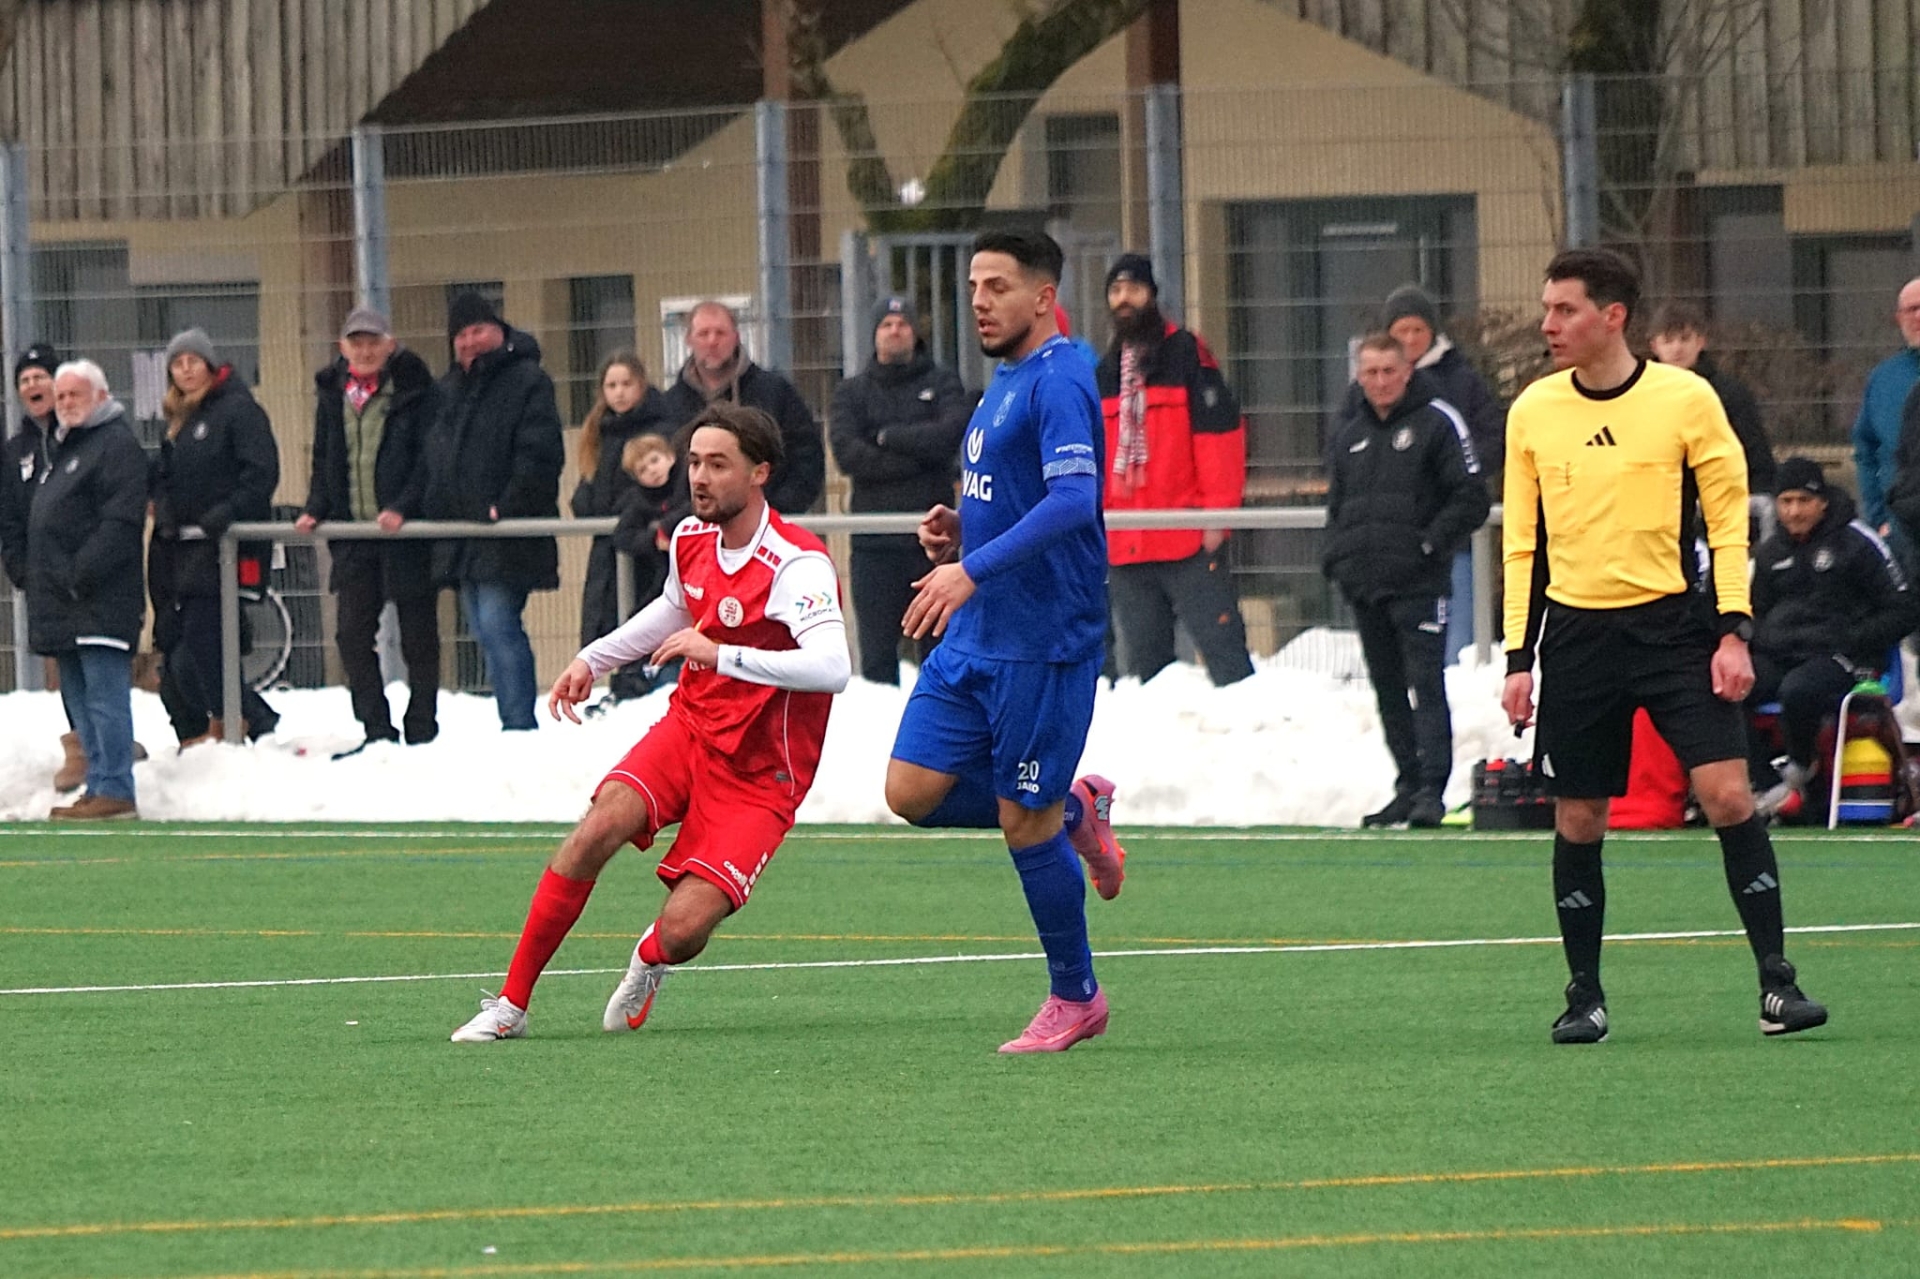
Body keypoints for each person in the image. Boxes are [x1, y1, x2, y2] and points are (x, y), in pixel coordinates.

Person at [1501, 247, 1826, 1044]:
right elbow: (1522, 542)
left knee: (1727, 795)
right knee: (1579, 818)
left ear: (1613, 316)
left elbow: (1726, 521)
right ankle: (1585, 996)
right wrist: (1518, 658)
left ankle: (1776, 987)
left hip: (1674, 629)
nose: (1549, 324)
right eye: (1547, 308)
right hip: (1576, 637)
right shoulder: (1532, 412)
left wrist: (1733, 630)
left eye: (1565, 309)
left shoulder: (1687, 399)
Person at [451, 403, 850, 1043]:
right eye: (694, 461)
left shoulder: (796, 563)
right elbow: (670, 612)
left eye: (718, 464)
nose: (699, 476)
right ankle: (510, 1005)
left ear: (759, 474)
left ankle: (651, 956)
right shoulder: (691, 536)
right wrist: (592, 658)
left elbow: (832, 665)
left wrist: (720, 654)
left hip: (761, 772)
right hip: (690, 728)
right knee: (596, 828)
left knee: (685, 930)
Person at [883, 229, 1128, 1055]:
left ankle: (1076, 996)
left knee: (1024, 824)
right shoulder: (1005, 380)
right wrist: (962, 528)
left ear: (1043, 297)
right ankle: (1072, 806)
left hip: (1042, 640)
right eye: (975, 285)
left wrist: (972, 570)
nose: (980, 300)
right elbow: (1019, 494)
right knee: (910, 790)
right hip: (979, 633)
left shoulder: (1061, 377)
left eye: (997, 286)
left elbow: (1074, 501)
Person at [1324, 333, 1489, 829]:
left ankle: (1432, 792)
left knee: (1426, 685)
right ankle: (1406, 784)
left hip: (1419, 584)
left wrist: (1427, 546)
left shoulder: (1438, 422)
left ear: (1407, 372)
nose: (1379, 382)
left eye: (1388, 372)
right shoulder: (1348, 430)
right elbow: (1338, 504)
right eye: (1370, 372)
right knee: (1387, 689)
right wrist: (1336, 557)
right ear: (1358, 374)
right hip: (1366, 584)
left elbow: (1471, 498)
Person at [1096, 253, 1254, 687]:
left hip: (1188, 538)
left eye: (1133, 288)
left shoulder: (1187, 353)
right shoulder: (1106, 370)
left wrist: (1215, 520)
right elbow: (1097, 459)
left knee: (1228, 663)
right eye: (1115, 290)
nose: (1124, 298)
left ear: (1152, 294)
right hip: (1127, 544)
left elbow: (1219, 440)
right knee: (1147, 677)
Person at [295, 307, 442, 757]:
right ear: (343, 348)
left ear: (389, 343)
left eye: (373, 341)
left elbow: (428, 459)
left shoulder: (417, 390)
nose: (365, 349)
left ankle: (421, 728)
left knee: (419, 634)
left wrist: (403, 506)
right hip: (356, 537)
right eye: (356, 342)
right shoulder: (332, 394)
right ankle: (376, 728)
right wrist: (317, 506)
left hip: (405, 535)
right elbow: (326, 458)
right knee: (352, 636)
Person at [420, 292, 565, 732]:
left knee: (499, 624)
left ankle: (518, 724)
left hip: (506, 530)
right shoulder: (447, 390)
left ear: (499, 330)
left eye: (478, 330)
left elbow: (540, 453)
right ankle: (512, 719)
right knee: (484, 630)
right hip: (464, 533)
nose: (469, 341)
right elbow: (435, 455)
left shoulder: (527, 381)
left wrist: (508, 503)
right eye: (461, 334)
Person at [1343, 284, 1505, 664]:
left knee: (1456, 648)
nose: (1411, 339)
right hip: (1386, 542)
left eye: (1419, 330)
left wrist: (1450, 472)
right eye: (1402, 331)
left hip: (1452, 540)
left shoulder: (1462, 381)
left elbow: (1492, 439)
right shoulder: (1363, 391)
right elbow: (1343, 449)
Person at [1749, 457, 1915, 815]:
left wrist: (1852, 639)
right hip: (1783, 656)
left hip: (1845, 658)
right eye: (1786, 502)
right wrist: (1761, 641)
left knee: (1798, 689)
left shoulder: (1857, 542)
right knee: (1724, 687)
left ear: (1822, 501)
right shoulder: (1769, 553)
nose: (1794, 512)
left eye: (1803, 501)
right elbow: (1755, 613)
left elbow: (1902, 608)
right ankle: (1765, 784)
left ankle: (1800, 766)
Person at [148, 327, 281, 746]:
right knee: (178, 649)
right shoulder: (178, 421)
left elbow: (261, 473)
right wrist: (164, 507)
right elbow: (164, 477)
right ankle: (223, 721)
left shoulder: (239, 411)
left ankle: (240, 719)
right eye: (177, 363)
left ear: (210, 364)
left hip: (223, 549)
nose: (186, 370)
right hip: (181, 552)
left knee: (205, 642)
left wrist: (227, 513)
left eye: (193, 361)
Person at [828, 294, 970, 684]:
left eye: (903, 323)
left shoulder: (942, 381)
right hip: (874, 544)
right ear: (874, 334)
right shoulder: (851, 392)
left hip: (934, 542)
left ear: (915, 332)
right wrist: (919, 458)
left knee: (938, 657)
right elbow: (848, 453)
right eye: (886, 324)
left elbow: (948, 435)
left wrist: (887, 437)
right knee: (876, 662)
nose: (895, 330)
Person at [28, 362, 148, 819]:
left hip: (99, 600)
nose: (65, 404)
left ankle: (116, 786)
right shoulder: (64, 449)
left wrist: (80, 573)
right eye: (60, 397)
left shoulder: (115, 445)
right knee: (78, 699)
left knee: (104, 697)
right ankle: (97, 783)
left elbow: (120, 522)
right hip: (65, 606)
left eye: (75, 394)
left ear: (101, 396)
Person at [1, 342, 90, 790]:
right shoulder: (15, 450)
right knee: (66, 659)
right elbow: (9, 518)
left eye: (40, 376)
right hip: (44, 579)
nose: (33, 385)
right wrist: (21, 568)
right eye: (25, 379)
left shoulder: (82, 437)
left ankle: (108, 740)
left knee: (99, 656)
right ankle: (81, 744)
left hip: (89, 573)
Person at [570, 351, 676, 705]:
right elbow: (587, 489)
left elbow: (652, 492)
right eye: (611, 385)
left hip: (646, 553)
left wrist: (632, 514)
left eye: (626, 384)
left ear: (642, 385)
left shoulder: (661, 429)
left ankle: (641, 690)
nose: (619, 393)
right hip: (610, 549)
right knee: (606, 625)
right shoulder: (599, 432)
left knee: (642, 624)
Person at [659, 300, 823, 517]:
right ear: (688, 339)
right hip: (691, 528)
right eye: (703, 333)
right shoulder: (669, 404)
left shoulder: (775, 392)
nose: (712, 341)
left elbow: (807, 457)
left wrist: (776, 510)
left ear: (736, 337)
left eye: (720, 333)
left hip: (767, 525)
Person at [1649, 302, 1777, 539]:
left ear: (1701, 341)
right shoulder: (1639, 395)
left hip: (1718, 514)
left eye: (1685, 339)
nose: (1677, 348)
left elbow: (1755, 457)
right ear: (1654, 345)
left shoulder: (1730, 394)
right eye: (1668, 340)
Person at [1850, 276, 1920, 540]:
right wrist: (1878, 517)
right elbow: (1865, 450)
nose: (1917, 316)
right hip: (1900, 529)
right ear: (1898, 318)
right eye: (1910, 310)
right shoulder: (1883, 378)